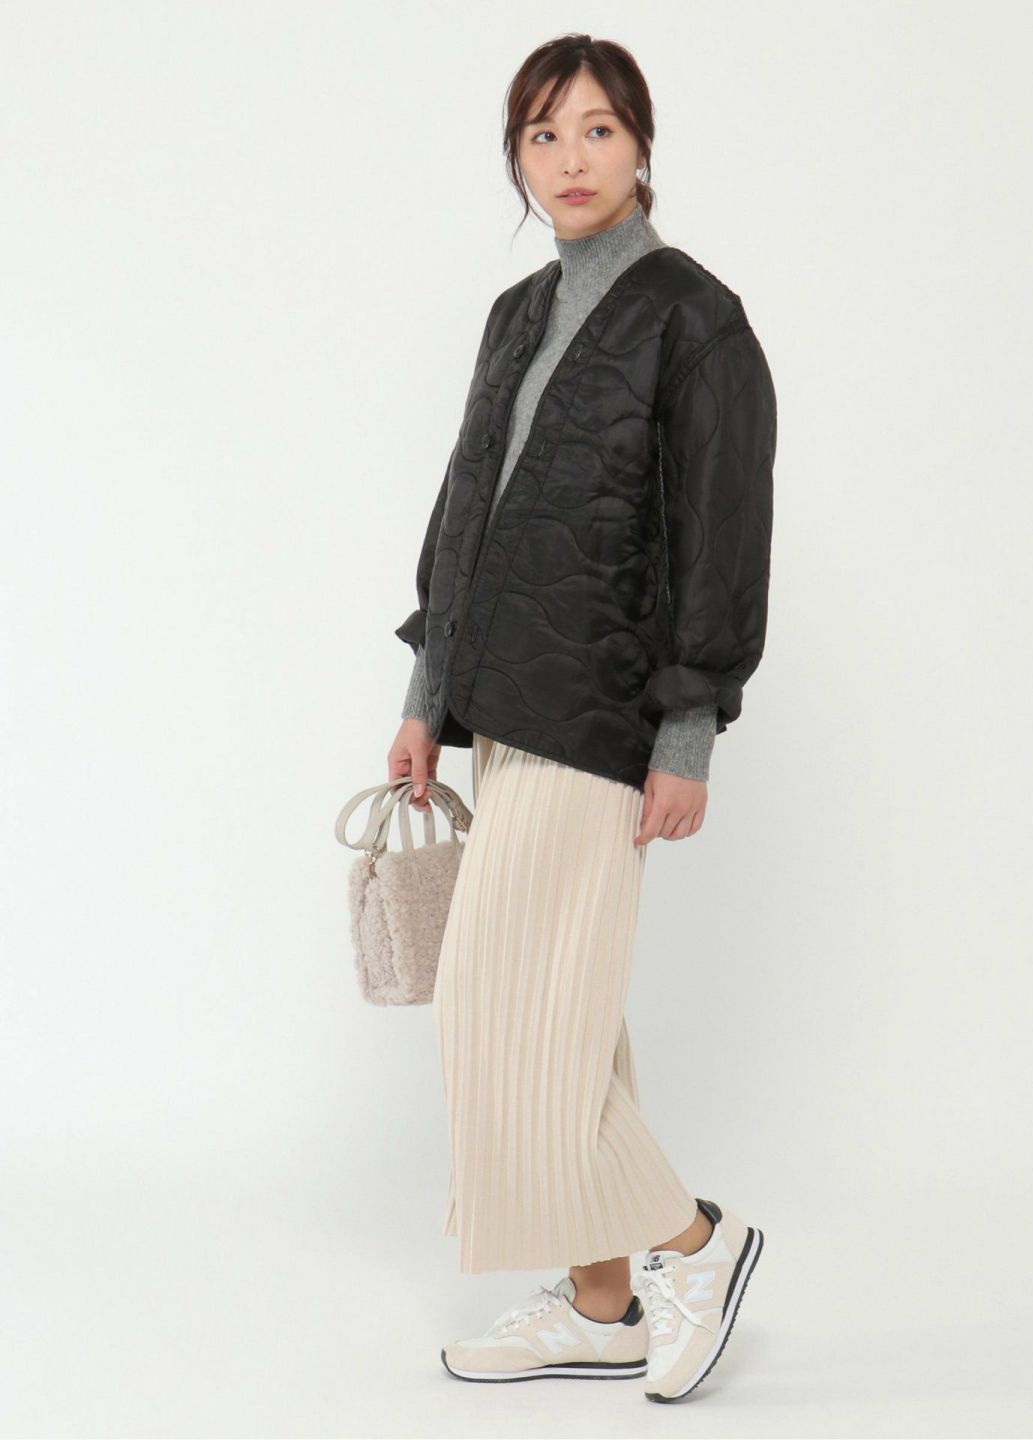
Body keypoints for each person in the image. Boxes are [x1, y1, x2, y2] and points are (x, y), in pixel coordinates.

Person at [386, 33, 776, 1404]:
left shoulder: (696, 319)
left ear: (643, 147)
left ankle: (695, 1243)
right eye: (543, 135)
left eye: (597, 129)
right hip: (504, 705)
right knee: (563, 1022)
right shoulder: (517, 314)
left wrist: (687, 737)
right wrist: (425, 698)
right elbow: (465, 510)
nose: (570, 159)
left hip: (602, 717)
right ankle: (604, 1304)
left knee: (500, 1013)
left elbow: (722, 540)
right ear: (517, 157)